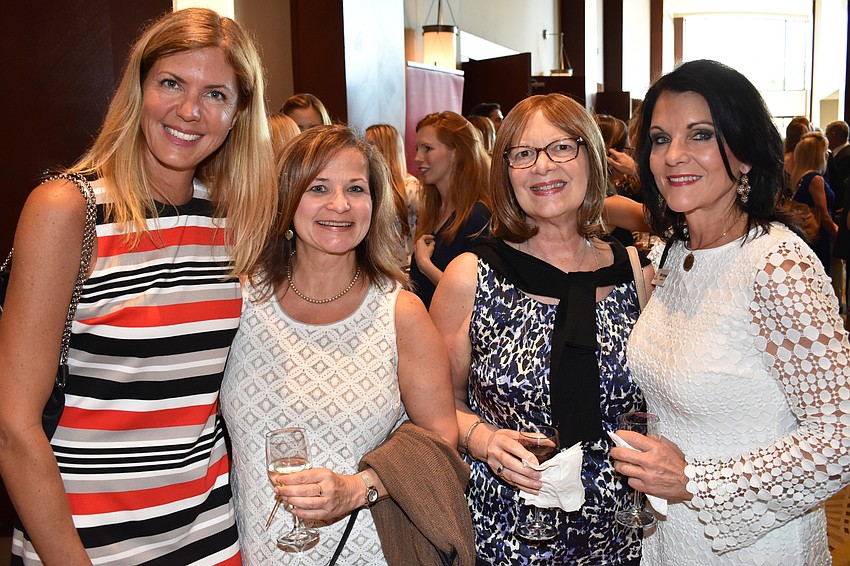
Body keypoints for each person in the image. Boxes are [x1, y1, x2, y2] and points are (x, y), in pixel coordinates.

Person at [0, 8, 277, 564]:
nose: (189, 111)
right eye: (171, 83)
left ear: (240, 113)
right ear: (139, 90)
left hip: (212, 535)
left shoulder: (234, 219)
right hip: (86, 539)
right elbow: (13, 426)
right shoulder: (67, 210)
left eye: (217, 94)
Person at [611, 59, 850, 564]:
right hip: (671, 538)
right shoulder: (675, 253)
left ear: (744, 155)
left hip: (756, 546)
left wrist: (695, 480)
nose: (673, 155)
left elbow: (840, 438)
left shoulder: (776, 265)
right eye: (658, 139)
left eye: (700, 135)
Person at [220, 125, 465, 564]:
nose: (340, 205)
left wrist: (358, 488)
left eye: (356, 188)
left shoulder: (401, 312)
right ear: (287, 198)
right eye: (319, 187)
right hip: (254, 550)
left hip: (368, 549)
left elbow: (441, 435)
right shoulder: (240, 301)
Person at [430, 93, 653, 564]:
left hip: (623, 533)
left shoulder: (634, 271)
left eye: (561, 148)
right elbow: (434, 406)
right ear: (505, 171)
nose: (542, 167)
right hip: (506, 532)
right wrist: (482, 438)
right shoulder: (471, 275)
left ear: (590, 157)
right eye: (524, 154)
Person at [410, 111, 491, 309]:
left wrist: (425, 265)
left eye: (427, 148)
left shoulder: (478, 217)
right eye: (417, 149)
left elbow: (474, 297)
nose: (417, 158)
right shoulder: (434, 211)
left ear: (456, 152)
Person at [365, 123, 420, 266]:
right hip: (375, 265)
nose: (365, 150)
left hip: (404, 268)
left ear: (386, 148)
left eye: (371, 144)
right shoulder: (367, 185)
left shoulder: (410, 185)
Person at [790, 131, 837, 274]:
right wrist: (839, 234)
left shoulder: (801, 178)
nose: (827, 155)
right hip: (818, 237)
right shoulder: (815, 179)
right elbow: (824, 215)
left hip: (808, 236)